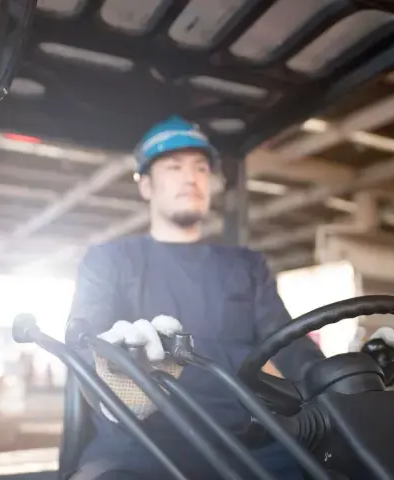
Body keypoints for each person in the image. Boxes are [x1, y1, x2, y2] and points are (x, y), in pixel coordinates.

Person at [65, 116, 326, 480]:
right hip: (139, 447)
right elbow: (84, 338)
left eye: (201, 168)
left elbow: (289, 344)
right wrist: (113, 377)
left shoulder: (246, 265)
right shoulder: (109, 260)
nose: (191, 178)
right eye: (174, 167)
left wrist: (349, 380)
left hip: (250, 446)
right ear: (146, 186)